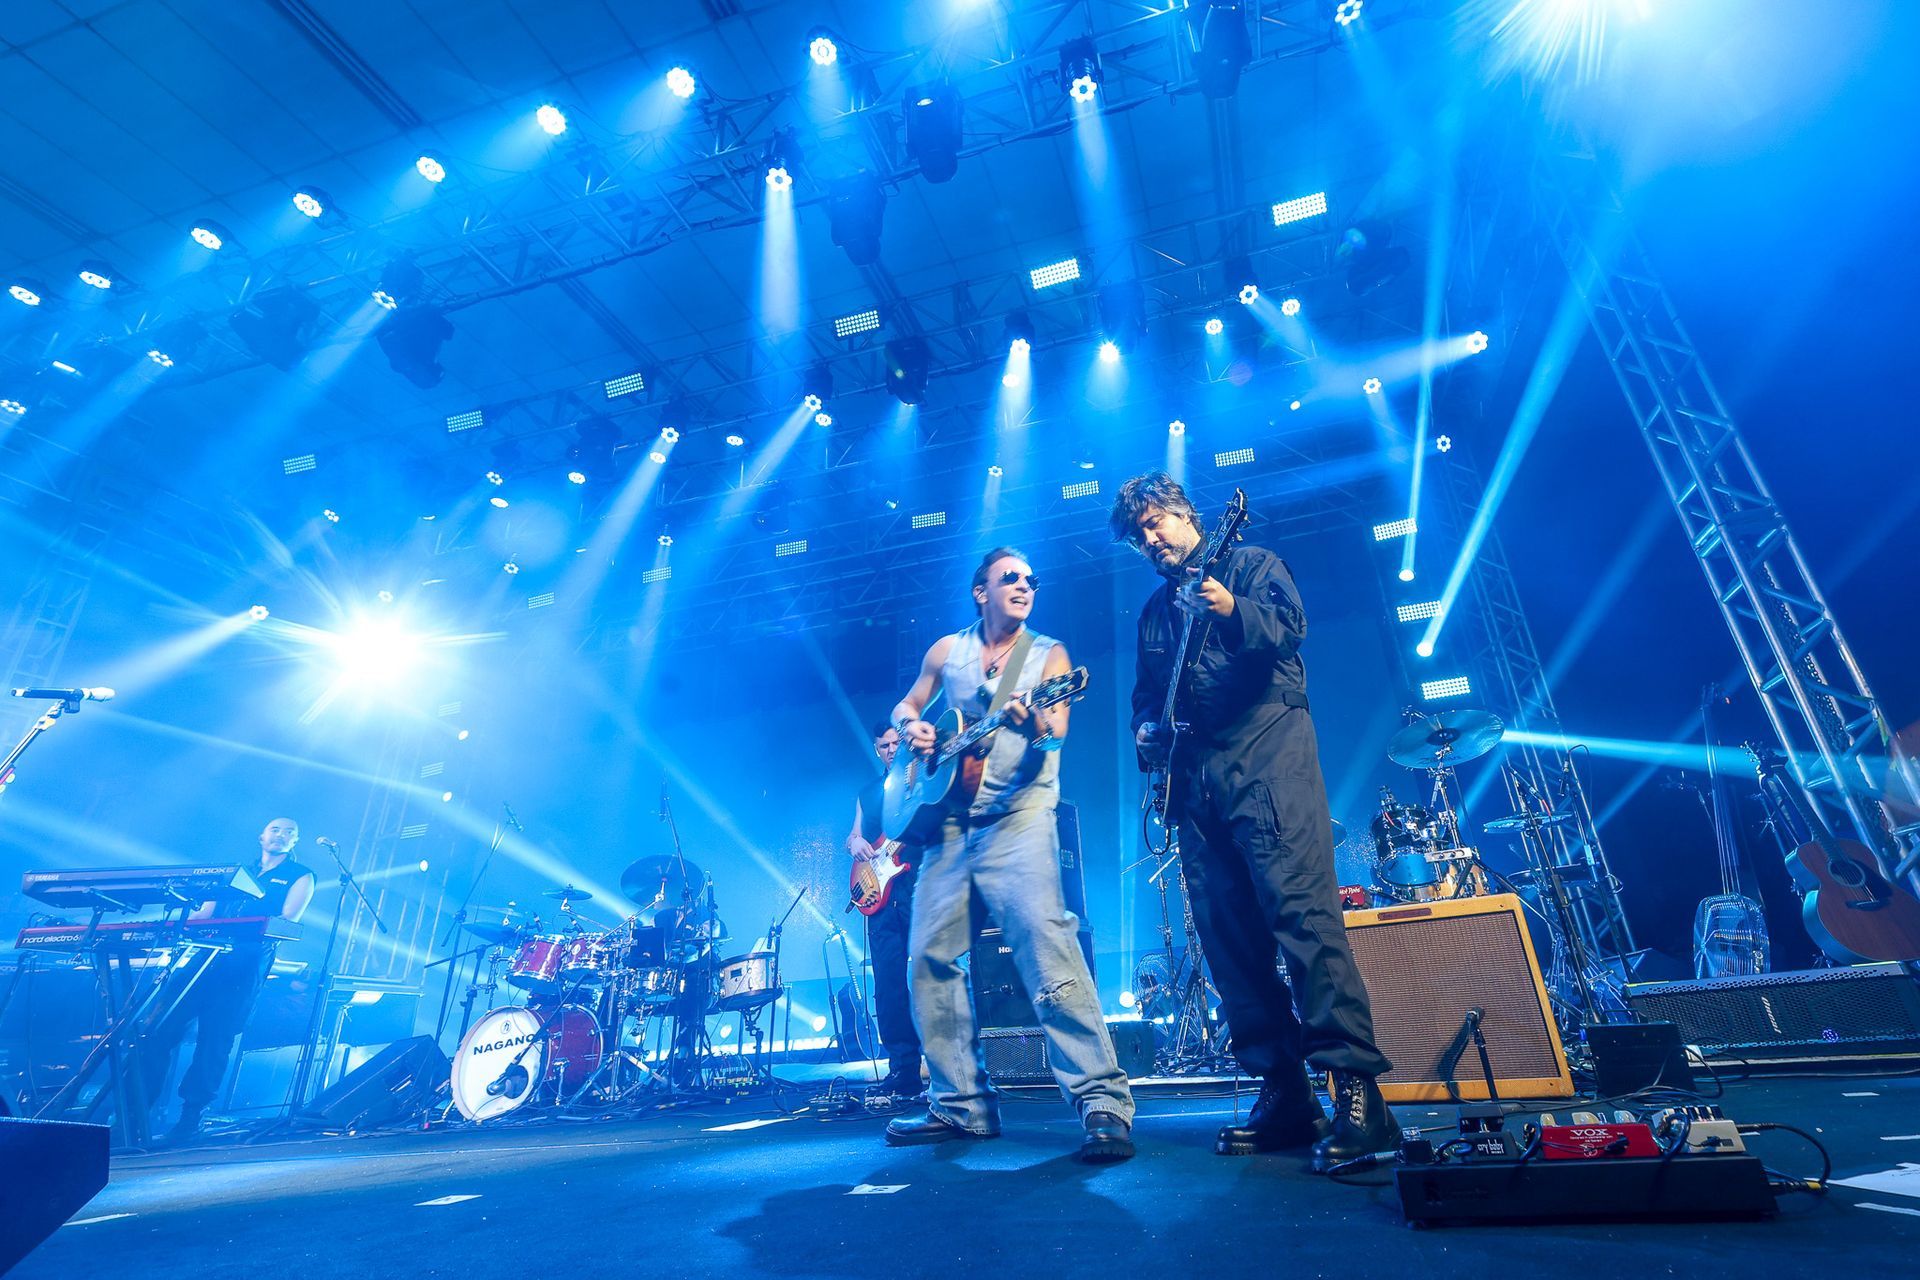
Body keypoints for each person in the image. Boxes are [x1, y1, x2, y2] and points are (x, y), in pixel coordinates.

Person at [1110, 473, 1396, 1172]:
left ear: (1185, 514)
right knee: (1228, 941)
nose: (1150, 541)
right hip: (1196, 781)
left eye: (1156, 524)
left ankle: (1359, 1095)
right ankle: (1285, 1092)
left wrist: (1232, 607)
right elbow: (1147, 700)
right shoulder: (1153, 613)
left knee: (1303, 920)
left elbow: (1289, 631)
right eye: (1138, 535)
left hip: (1268, 756)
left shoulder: (1251, 563)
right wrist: (1146, 732)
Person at [882, 547, 1135, 1163]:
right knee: (927, 960)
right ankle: (959, 1105)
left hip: (1017, 818)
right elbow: (907, 706)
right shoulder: (947, 651)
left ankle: (1101, 1101)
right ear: (981, 591)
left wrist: (1035, 723)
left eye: (1031, 579)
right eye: (1011, 578)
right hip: (948, 825)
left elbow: (1058, 730)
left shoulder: (1048, 656)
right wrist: (914, 726)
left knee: (1046, 947)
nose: (1025, 586)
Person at [149, 816, 315, 1143]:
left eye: (289, 833)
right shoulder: (237, 872)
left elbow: (286, 920)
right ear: (261, 835)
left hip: (247, 957)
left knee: (217, 1036)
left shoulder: (301, 875)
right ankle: (139, 1107)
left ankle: (191, 1116)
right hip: (205, 953)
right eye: (276, 830)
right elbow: (203, 915)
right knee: (159, 1026)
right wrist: (163, 923)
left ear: (295, 841)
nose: (281, 836)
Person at [847, 718, 922, 1098]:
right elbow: (855, 835)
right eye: (884, 746)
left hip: (916, 883)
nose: (891, 751)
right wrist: (854, 843)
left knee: (930, 974)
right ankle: (903, 1068)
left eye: (896, 744)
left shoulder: (920, 776)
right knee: (888, 985)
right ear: (877, 749)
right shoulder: (867, 792)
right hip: (879, 894)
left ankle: (947, 1068)